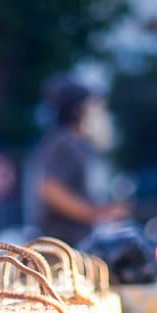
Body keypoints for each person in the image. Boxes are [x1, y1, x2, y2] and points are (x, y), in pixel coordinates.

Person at [33, 78, 129, 247]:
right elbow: (49, 189)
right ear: (78, 110)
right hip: (63, 244)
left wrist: (105, 210)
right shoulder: (62, 143)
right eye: (94, 106)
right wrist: (94, 214)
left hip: (78, 240)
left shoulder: (81, 145)